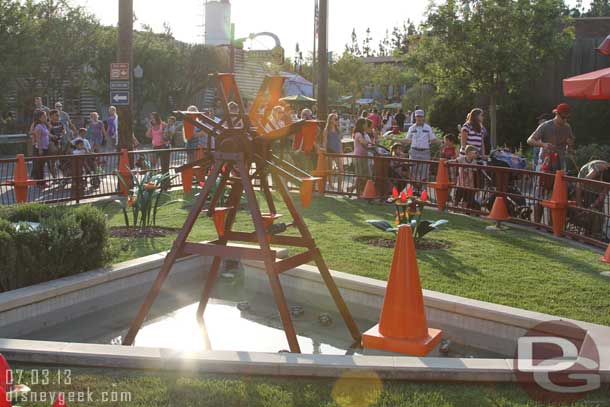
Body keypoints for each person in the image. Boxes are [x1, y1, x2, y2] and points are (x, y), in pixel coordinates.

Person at [527, 103, 574, 174]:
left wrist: (570, 145)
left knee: (557, 185)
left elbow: (570, 143)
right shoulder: (545, 126)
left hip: (560, 165)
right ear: (557, 114)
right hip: (545, 163)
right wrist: (543, 144)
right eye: (563, 118)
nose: (565, 120)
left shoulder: (567, 127)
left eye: (567, 118)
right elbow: (529, 140)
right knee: (541, 184)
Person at [404, 109, 440, 186]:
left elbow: (433, 139)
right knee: (413, 172)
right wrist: (395, 140)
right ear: (415, 117)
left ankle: (423, 191)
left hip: (425, 152)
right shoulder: (411, 128)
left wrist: (441, 141)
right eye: (417, 116)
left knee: (425, 172)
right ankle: (414, 190)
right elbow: (407, 140)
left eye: (421, 116)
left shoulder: (428, 128)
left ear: (423, 117)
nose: (419, 118)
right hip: (414, 152)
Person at [322, 113, 344, 190]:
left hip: (338, 151)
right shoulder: (326, 130)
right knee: (330, 170)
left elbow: (339, 141)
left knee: (341, 170)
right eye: (335, 119)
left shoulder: (338, 129)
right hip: (330, 151)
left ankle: (339, 187)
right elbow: (325, 141)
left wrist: (341, 151)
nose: (337, 120)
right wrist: (325, 152)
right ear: (330, 120)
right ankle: (331, 186)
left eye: (337, 119)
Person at [353, 118, 373, 195]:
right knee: (360, 174)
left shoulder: (363, 133)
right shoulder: (358, 134)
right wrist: (369, 142)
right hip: (359, 156)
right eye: (365, 123)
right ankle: (359, 192)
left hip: (364, 156)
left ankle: (362, 191)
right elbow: (363, 142)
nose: (366, 125)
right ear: (361, 125)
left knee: (365, 174)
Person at [30, 110, 50, 187]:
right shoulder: (38, 126)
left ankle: (40, 182)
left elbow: (47, 134)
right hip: (40, 148)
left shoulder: (44, 125)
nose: (46, 117)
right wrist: (40, 149)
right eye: (44, 116)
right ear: (39, 118)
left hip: (45, 147)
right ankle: (40, 182)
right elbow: (38, 138)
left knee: (42, 165)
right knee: (39, 165)